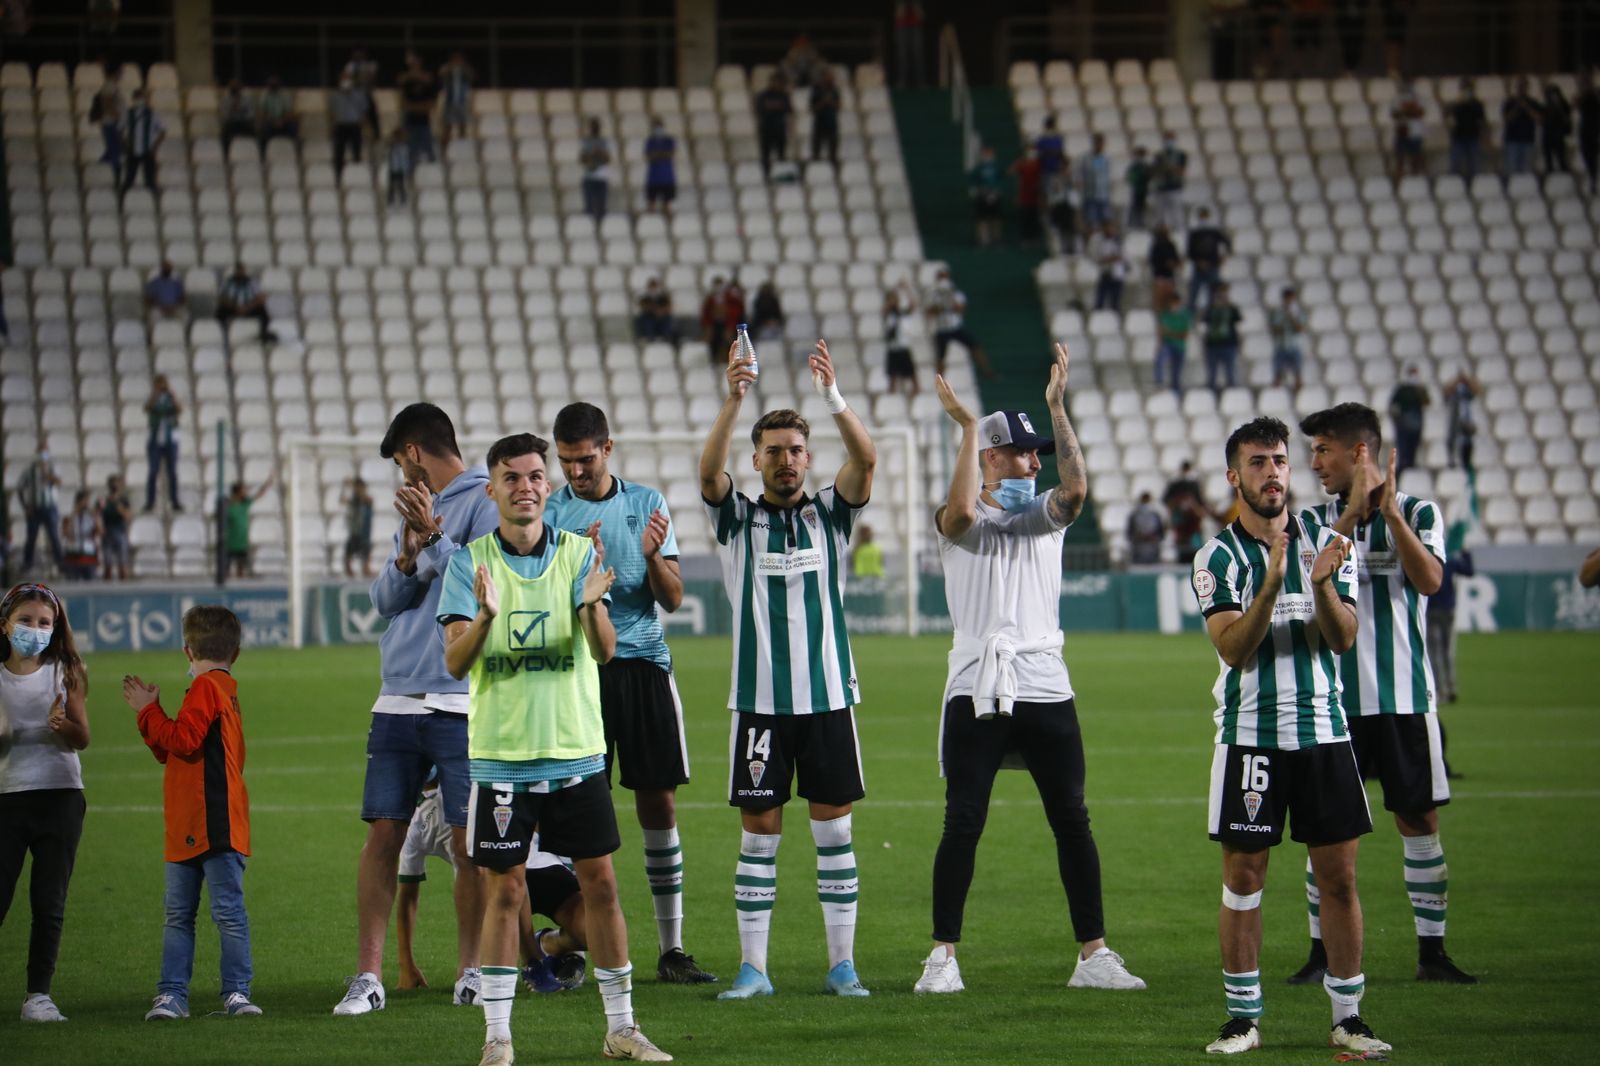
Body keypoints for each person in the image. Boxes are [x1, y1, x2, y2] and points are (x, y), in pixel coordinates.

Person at [915, 347, 1146, 997]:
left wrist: (1056, 409)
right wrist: (965, 428)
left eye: (1036, 450)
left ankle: (1093, 954)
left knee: (1072, 818)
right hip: (977, 685)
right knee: (963, 820)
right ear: (990, 457)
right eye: (1021, 451)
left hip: (1045, 680)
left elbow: (1076, 491)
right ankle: (942, 957)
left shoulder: (1044, 517)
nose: (1034, 461)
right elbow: (960, 514)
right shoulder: (957, 521)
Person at [437, 432, 671, 1065]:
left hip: (575, 753)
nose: (527, 486)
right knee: (505, 894)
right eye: (511, 477)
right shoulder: (469, 563)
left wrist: (595, 604)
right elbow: (456, 662)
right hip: (502, 758)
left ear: (548, 485)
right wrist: (485, 617)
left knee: (601, 886)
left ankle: (622, 1028)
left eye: (536, 476)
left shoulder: (575, 554)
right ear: (492, 490)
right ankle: (497, 1039)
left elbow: (603, 650)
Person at [1191, 416, 1388, 1057]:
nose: (1272, 472)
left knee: (1339, 878)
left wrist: (1322, 583)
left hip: (1325, 733)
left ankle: (1349, 1016)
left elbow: (1343, 637)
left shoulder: (1327, 543)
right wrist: (1272, 588)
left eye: (1279, 460)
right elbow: (1232, 649)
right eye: (1257, 462)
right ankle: (1242, 1017)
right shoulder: (1216, 558)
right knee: (1244, 877)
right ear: (1233, 476)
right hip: (1250, 734)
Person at [698, 337, 876, 1001]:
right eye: (773, 450)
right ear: (758, 460)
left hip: (828, 699)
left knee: (834, 834)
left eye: (796, 450)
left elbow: (867, 458)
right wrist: (733, 399)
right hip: (761, 704)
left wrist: (832, 398)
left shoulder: (831, 514)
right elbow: (708, 474)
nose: (786, 459)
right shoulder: (736, 520)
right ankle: (755, 969)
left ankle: (842, 966)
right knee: (760, 838)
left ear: (808, 458)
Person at [1294, 403, 1477, 987]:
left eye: (1324, 450)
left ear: (1360, 452)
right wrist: (1349, 516)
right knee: (1325, 829)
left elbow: (1429, 581)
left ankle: (1433, 953)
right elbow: (1314, 578)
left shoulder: (1420, 511)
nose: (1314, 461)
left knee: (1419, 821)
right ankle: (1321, 955)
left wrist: (1392, 516)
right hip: (1333, 703)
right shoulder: (1315, 520)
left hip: (1404, 699)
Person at [332, 403, 497, 1019]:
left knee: (468, 840)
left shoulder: (486, 499)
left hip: (460, 696)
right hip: (397, 692)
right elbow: (383, 598)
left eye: (402, 463)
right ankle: (368, 976)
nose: (402, 477)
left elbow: (482, 581)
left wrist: (431, 537)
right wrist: (406, 556)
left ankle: (472, 971)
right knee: (383, 832)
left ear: (414, 453)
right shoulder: (413, 508)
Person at [545, 403, 716, 986]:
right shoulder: (552, 512)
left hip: (643, 668)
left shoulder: (646, 504)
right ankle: (568, 941)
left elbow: (670, 597)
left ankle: (672, 948)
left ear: (607, 448)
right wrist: (577, 571)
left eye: (585, 460)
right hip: (579, 676)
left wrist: (648, 556)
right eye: (566, 462)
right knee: (572, 811)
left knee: (658, 806)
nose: (576, 472)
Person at [125, 606, 261, 1021]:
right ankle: (233, 994)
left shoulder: (205, 689)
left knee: (182, 916)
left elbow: (182, 740)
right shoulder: (225, 690)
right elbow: (178, 751)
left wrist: (147, 710)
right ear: (235, 652)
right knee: (227, 914)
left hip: (204, 822)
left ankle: (174, 995)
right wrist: (154, 720)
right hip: (212, 821)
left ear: (187, 649)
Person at [0, 582, 89, 1024]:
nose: (35, 630)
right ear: (5, 624)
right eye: (26, 621)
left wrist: (63, 726)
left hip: (60, 797)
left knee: (48, 902)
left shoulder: (65, 670)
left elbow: (83, 738)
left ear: (55, 629)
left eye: (44, 623)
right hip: (7, 799)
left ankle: (38, 996)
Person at [1428, 521, 1472, 709]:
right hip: (1447, 610)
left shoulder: (1430, 559)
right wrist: (1466, 553)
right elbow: (1469, 571)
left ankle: (1440, 689)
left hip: (1433, 611)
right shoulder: (1451, 561)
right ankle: (1450, 687)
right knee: (1446, 652)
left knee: (1435, 652)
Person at [925, 270, 993, 377]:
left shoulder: (956, 293)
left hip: (956, 327)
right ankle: (940, 381)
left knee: (975, 346)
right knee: (940, 357)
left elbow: (960, 309)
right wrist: (941, 304)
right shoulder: (934, 295)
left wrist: (949, 297)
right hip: (942, 329)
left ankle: (987, 370)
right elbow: (929, 312)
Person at [17, 443, 64, 574]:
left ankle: (60, 564)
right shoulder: (29, 470)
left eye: (45, 451)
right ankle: (28, 564)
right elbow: (20, 488)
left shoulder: (53, 467)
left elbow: (59, 482)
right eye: (40, 451)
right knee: (31, 537)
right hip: (34, 508)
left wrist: (46, 474)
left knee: (54, 536)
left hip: (50, 507)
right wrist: (25, 507)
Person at [223, 477, 275, 579]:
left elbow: (259, 494)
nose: (246, 492)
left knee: (242, 568)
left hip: (242, 541)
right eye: (243, 490)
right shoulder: (228, 505)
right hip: (231, 542)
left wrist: (268, 481)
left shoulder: (245, 503)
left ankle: (240, 585)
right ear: (237, 492)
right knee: (226, 571)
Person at [144, 375, 182, 512]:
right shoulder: (153, 398)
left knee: (172, 472)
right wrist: (155, 394)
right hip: (155, 440)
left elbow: (179, 410)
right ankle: (150, 501)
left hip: (170, 439)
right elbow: (147, 408)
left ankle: (174, 500)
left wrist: (172, 396)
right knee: (153, 471)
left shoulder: (169, 399)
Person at [120, 88, 165, 200]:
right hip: (132, 152)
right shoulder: (127, 114)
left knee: (150, 181)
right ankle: (121, 202)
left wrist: (155, 147)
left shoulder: (152, 114)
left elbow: (162, 131)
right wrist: (126, 145)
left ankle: (157, 202)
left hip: (148, 152)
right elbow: (120, 130)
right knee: (129, 180)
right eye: (137, 97)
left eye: (141, 97)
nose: (139, 100)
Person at [1185, 207, 1231, 314]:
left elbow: (1227, 243)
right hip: (1198, 269)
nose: (1203, 219)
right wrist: (1198, 261)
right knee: (1193, 293)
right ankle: (1190, 316)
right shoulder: (1194, 233)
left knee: (1212, 293)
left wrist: (1224, 257)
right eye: (1202, 216)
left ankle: (1209, 317)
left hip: (1213, 266)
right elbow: (1189, 252)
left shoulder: (1214, 232)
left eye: (1205, 216)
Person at [216, 264, 277, 344]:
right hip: (233, 309)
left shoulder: (251, 282)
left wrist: (248, 307)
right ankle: (222, 333)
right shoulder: (228, 283)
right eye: (238, 271)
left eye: (242, 271)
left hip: (249, 309)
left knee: (263, 311)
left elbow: (261, 298)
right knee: (220, 311)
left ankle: (263, 334)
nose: (240, 273)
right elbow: (221, 298)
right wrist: (234, 307)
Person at [1201, 282, 1242, 396]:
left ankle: (1233, 396)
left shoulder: (1231, 308)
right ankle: (1210, 396)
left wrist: (1228, 304)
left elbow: (1238, 318)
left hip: (1229, 345)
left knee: (1230, 373)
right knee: (1212, 374)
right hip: (1212, 345)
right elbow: (1204, 319)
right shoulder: (1210, 308)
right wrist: (1214, 306)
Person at [1388, 366, 1429, 477]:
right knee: (1404, 450)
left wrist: (1419, 390)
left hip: (1416, 424)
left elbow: (1427, 402)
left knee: (1414, 448)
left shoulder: (1420, 390)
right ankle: (1401, 473)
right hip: (1404, 425)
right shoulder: (1402, 390)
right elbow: (1393, 406)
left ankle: (1411, 468)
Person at [398, 54, 438, 167]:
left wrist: (417, 107)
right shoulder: (407, 82)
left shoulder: (428, 83)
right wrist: (417, 107)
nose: (415, 66)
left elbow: (430, 104)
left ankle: (432, 171)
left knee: (428, 150)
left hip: (424, 122)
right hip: (410, 121)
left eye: (417, 64)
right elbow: (404, 103)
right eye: (413, 64)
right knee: (410, 150)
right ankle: (411, 175)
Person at [1446, 77, 1487, 183]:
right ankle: (1454, 186)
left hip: (1473, 137)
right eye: (1464, 87)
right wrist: (1458, 103)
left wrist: (1484, 138)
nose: (1466, 90)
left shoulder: (1477, 104)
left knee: (1474, 166)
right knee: (1455, 165)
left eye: (1468, 88)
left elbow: (1482, 122)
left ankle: (1474, 186)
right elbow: (1448, 117)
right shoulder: (1456, 104)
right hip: (1458, 137)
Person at [330, 74, 369, 180]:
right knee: (339, 152)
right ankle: (338, 174)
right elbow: (332, 112)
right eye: (343, 79)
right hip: (341, 126)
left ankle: (357, 173)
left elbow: (364, 111)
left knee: (356, 150)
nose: (345, 82)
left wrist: (362, 123)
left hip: (355, 125)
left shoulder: (359, 95)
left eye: (347, 79)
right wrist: (333, 125)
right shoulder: (334, 95)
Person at [1501, 76, 1541, 178]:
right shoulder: (1510, 102)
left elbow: (1538, 118)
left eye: (1524, 86)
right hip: (1512, 140)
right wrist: (1517, 106)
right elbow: (1507, 119)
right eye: (1519, 86)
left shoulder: (1533, 102)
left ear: (1527, 87)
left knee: (1527, 171)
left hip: (1528, 140)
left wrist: (1526, 107)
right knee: (1511, 170)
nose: (1521, 88)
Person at [1268, 286, 1307, 391]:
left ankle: (1299, 395)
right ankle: (1276, 395)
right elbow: (1274, 329)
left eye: (1291, 298)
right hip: (1280, 345)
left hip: (1294, 345)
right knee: (1277, 374)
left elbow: (1300, 329)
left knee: (1298, 373)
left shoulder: (1298, 312)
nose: (1289, 301)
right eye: (1287, 298)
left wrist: (1291, 317)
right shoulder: (1277, 312)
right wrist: (1284, 318)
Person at [755, 73, 792, 180]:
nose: (777, 84)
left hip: (780, 129)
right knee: (766, 155)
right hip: (766, 129)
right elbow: (760, 109)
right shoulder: (763, 95)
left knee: (781, 155)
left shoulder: (784, 95)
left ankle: (780, 176)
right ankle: (766, 176)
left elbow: (789, 110)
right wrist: (776, 107)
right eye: (775, 82)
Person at [91, 64, 124, 184]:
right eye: (120, 73)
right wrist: (116, 115)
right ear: (115, 73)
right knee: (114, 149)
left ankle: (105, 171)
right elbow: (106, 102)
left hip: (111, 123)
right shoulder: (109, 86)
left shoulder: (111, 86)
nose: (121, 76)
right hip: (111, 123)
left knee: (113, 149)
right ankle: (114, 175)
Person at [1443, 369, 1481, 471]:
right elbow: (1446, 391)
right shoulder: (1452, 395)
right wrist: (1457, 380)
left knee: (1466, 450)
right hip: (1455, 426)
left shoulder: (1467, 393)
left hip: (1466, 427)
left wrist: (1466, 379)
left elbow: (1477, 390)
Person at [1155, 288, 1191, 396]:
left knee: (1176, 373)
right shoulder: (1165, 314)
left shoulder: (1184, 315)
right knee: (1160, 359)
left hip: (1180, 347)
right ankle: (1159, 383)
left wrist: (1170, 333)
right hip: (1168, 345)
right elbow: (1162, 332)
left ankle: (1176, 394)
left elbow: (1184, 335)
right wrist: (1173, 333)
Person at [883, 284, 918, 395]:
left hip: (903, 347)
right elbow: (885, 310)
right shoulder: (888, 313)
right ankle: (891, 397)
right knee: (892, 377)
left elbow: (912, 305)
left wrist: (906, 288)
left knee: (912, 375)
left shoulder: (902, 313)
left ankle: (915, 393)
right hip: (893, 348)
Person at [59, 492, 100, 582]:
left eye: (87, 502)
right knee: (72, 584)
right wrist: (75, 512)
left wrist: (94, 515)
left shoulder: (92, 517)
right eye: (83, 502)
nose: (85, 504)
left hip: (89, 556)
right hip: (73, 556)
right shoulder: (70, 517)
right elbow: (65, 533)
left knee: (91, 585)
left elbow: (100, 531)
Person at [1389, 78, 1426, 180]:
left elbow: (1420, 113)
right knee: (1400, 158)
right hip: (1401, 131)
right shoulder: (1397, 98)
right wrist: (1410, 111)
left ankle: (1416, 178)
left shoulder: (1418, 98)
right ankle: (1399, 180)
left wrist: (1405, 111)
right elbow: (1394, 114)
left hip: (1415, 132)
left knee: (1415, 157)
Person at [969, 144, 1005, 247]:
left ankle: (997, 239)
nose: (987, 155)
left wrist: (997, 191)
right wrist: (979, 191)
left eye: (989, 153)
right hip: (982, 195)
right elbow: (973, 180)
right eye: (985, 153)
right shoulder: (979, 168)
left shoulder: (997, 166)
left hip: (995, 194)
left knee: (996, 218)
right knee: (981, 218)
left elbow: (1002, 179)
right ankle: (983, 239)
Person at [438, 52, 475, 149]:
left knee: (462, 124)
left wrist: (463, 67)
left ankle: (462, 147)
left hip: (462, 101)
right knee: (448, 125)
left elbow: (472, 76)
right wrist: (451, 67)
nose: (457, 61)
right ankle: (444, 148)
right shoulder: (447, 68)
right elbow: (441, 73)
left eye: (459, 59)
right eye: (455, 58)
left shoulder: (465, 69)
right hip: (450, 101)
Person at [1076, 133, 1113, 232]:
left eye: (1102, 143)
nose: (1100, 145)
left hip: (1103, 195)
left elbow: (1108, 175)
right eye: (1098, 143)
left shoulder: (1106, 158)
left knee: (1106, 222)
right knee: (1090, 224)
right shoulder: (1085, 158)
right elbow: (1079, 175)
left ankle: (1106, 246)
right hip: (1090, 196)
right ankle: (1090, 245)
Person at [1152, 131, 1188, 231]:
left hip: (1175, 188)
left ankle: (1178, 230)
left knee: (1176, 212)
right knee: (1160, 213)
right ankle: (1160, 231)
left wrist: (1170, 168)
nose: (1168, 142)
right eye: (1167, 139)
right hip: (1161, 188)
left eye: (1170, 139)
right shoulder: (1159, 155)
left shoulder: (1181, 155)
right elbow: (1156, 171)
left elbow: (1181, 171)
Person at [99, 475, 132, 581]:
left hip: (120, 531)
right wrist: (100, 527)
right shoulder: (104, 500)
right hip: (107, 531)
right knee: (107, 563)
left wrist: (119, 506)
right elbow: (97, 514)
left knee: (122, 563)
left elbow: (127, 516)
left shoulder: (123, 500)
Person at [256, 76, 298, 157]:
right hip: (270, 121)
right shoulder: (265, 95)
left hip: (283, 121)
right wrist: (273, 121)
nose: (272, 86)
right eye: (271, 85)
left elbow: (289, 112)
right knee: (263, 129)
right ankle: (263, 154)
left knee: (293, 127)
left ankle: (295, 152)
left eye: (274, 85)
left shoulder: (285, 95)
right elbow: (262, 112)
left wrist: (282, 121)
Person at [580, 118, 611, 225]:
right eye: (593, 126)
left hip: (601, 175)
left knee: (601, 204)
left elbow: (608, 159)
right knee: (589, 205)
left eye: (596, 126)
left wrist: (600, 153)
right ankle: (589, 225)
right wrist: (591, 155)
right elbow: (582, 159)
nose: (595, 128)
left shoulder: (603, 141)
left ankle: (601, 224)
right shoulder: (586, 141)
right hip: (589, 175)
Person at [1091, 219, 1126, 313]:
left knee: (1115, 302)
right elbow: (1098, 257)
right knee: (1100, 301)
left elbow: (1122, 256)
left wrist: (1113, 258)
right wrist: (1109, 258)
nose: (1110, 230)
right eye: (1108, 228)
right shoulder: (1099, 242)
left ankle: (1115, 320)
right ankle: (1098, 320)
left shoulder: (1118, 240)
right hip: (1105, 273)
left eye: (1111, 228)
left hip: (1117, 273)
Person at [342, 477, 375, 579]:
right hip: (354, 533)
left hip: (364, 535)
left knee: (365, 564)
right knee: (347, 560)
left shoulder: (367, 499)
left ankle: (366, 573)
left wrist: (352, 485)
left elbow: (364, 499)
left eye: (359, 487)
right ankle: (350, 576)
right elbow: (341, 500)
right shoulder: (353, 500)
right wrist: (344, 487)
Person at [643, 118, 677, 215]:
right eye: (655, 126)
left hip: (667, 177)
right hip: (653, 177)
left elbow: (670, 154)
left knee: (667, 206)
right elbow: (649, 155)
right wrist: (662, 154)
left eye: (659, 126)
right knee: (651, 205)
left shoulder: (668, 140)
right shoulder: (650, 141)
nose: (657, 128)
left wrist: (657, 154)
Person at [1010, 146, 1043, 246]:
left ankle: (1035, 239)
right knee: (1025, 219)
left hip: (1035, 197)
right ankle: (1025, 239)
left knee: (1035, 219)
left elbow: (1041, 179)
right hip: (1024, 197)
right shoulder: (1022, 164)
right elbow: (1011, 171)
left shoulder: (1038, 164)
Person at [810, 68, 841, 171]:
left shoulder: (834, 90)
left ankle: (834, 170)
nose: (830, 78)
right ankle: (816, 170)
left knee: (833, 151)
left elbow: (838, 106)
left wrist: (831, 102)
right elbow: (813, 108)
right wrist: (823, 102)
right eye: (828, 76)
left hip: (832, 123)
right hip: (820, 123)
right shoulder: (816, 91)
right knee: (816, 151)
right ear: (823, 78)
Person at [218, 80, 256, 161]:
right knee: (224, 131)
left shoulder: (247, 98)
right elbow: (224, 115)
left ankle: (254, 152)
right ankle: (225, 154)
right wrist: (232, 109)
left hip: (243, 121)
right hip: (231, 121)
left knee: (252, 130)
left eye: (237, 87)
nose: (235, 89)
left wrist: (241, 111)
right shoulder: (226, 99)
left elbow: (251, 113)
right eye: (233, 88)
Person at [1044, 166, 1078, 254]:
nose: (1066, 172)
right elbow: (1053, 193)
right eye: (1064, 170)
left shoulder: (1071, 180)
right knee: (1060, 229)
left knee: (1070, 229)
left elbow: (1076, 191)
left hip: (1068, 207)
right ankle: (1060, 249)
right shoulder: (1055, 179)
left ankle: (1071, 248)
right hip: (1058, 207)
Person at [1542, 82, 1573, 174]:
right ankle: (1550, 172)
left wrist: (1558, 107)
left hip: (1558, 134)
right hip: (1547, 134)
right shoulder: (1546, 105)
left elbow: (1566, 118)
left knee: (1561, 158)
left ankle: (1564, 173)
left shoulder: (1564, 104)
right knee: (1548, 159)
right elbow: (1544, 120)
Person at [1126, 491, 1165, 564]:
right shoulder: (1134, 516)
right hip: (1138, 550)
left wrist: (1152, 537)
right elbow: (1130, 534)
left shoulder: (1155, 515)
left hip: (1152, 550)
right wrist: (1140, 537)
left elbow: (1161, 534)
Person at [893, 1, 926, 88]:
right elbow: (899, 14)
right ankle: (902, 81)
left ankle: (920, 82)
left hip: (915, 26)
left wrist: (916, 6)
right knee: (902, 55)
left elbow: (920, 15)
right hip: (901, 26)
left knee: (918, 55)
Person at [1577, 70, 1600, 194]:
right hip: (1586, 129)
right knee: (1587, 154)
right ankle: (1591, 179)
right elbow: (1575, 104)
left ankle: (1593, 180)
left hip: (1595, 129)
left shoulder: (1596, 92)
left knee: (1592, 156)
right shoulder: (1583, 94)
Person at [634, 279, 676, 345]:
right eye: (652, 287)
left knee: (668, 319)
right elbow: (643, 307)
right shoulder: (645, 297)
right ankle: (650, 338)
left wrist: (661, 311)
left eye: (654, 286)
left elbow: (668, 307)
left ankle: (666, 338)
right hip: (649, 317)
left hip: (662, 317)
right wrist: (653, 310)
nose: (653, 289)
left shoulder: (663, 297)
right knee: (645, 320)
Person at [700, 276, 731, 364]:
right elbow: (706, 315)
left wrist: (730, 327)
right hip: (714, 326)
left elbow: (734, 315)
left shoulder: (729, 299)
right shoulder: (710, 300)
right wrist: (708, 328)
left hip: (727, 325)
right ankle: (714, 360)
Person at [1125, 145, 1151, 229]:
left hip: (1144, 190)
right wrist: (1136, 178)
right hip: (1136, 190)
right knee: (1135, 207)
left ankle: (1142, 224)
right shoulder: (1134, 166)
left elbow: (1149, 177)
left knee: (1142, 208)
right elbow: (1129, 177)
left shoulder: (1146, 166)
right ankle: (1133, 224)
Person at [386, 126, 412, 206]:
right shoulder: (391, 146)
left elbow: (405, 159)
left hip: (400, 169)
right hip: (393, 169)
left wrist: (407, 170)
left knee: (401, 185)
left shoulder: (404, 146)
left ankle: (403, 200)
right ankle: (390, 200)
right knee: (392, 186)